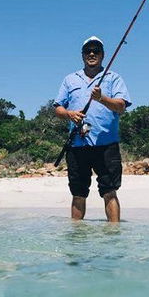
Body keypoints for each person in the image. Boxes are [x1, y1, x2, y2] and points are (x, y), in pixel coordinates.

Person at [54, 36, 131, 222]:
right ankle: (77, 239)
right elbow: (57, 108)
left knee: (109, 191)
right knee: (78, 193)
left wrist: (102, 98)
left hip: (107, 145)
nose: (91, 54)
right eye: (88, 50)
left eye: (96, 50)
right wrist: (70, 114)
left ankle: (114, 236)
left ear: (103, 55)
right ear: (82, 55)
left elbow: (121, 106)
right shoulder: (70, 79)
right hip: (77, 145)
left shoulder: (114, 78)